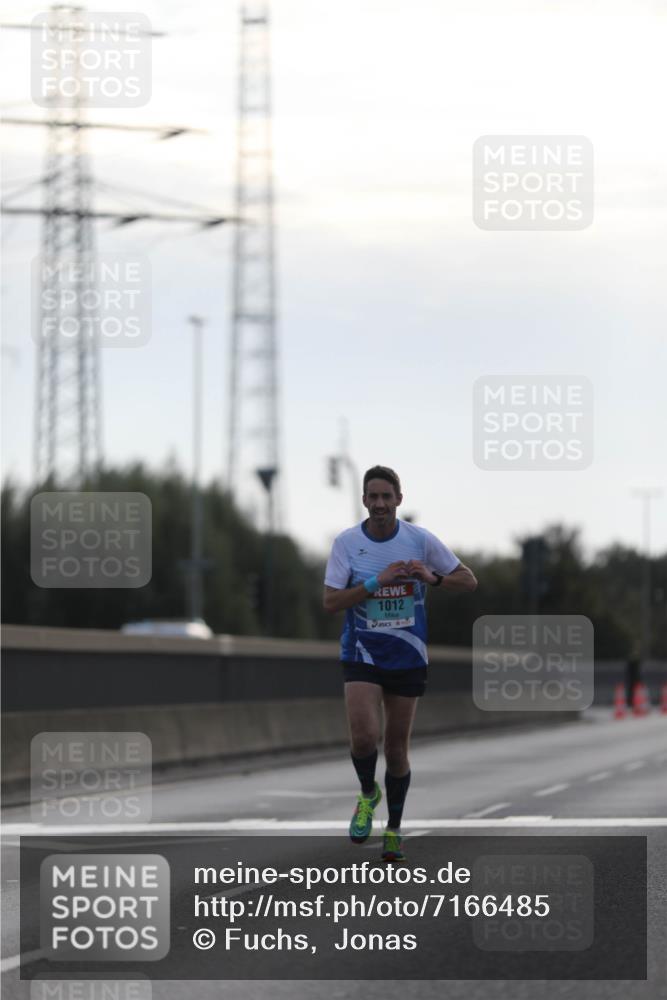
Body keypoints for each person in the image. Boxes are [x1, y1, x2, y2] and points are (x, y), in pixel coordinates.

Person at [323, 465, 477, 861]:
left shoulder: (419, 540)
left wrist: (432, 577)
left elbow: (468, 581)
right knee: (363, 736)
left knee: (395, 749)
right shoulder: (346, 543)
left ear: (398, 500)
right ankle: (367, 794)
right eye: (372, 497)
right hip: (362, 652)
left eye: (385, 497)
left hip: (407, 655)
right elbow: (330, 602)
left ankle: (393, 829)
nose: (379, 504)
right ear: (363, 500)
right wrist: (377, 582)